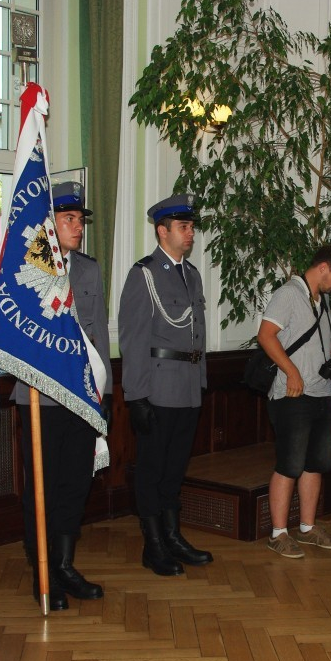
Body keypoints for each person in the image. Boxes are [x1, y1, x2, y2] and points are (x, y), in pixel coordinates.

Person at [12, 181, 112, 610]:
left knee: (74, 486)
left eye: (80, 220)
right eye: (68, 219)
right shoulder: (26, 266)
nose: (77, 227)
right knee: (43, 488)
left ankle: (66, 564)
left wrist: (101, 392)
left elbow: (99, 337)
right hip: (40, 398)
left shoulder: (88, 270)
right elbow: (14, 332)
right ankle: (43, 570)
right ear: (48, 225)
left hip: (80, 396)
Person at [118, 193, 212, 576]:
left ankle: (173, 535)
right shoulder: (144, 274)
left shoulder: (191, 274)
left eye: (191, 227)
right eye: (183, 227)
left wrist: (202, 381)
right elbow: (133, 339)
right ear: (163, 230)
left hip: (187, 387)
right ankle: (153, 542)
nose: (190, 234)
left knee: (175, 468)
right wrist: (136, 395)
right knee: (152, 469)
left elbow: (198, 335)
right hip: (157, 388)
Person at [258, 244, 331, 558]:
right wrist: (292, 372)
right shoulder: (289, 294)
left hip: (322, 393)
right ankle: (278, 533)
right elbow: (266, 335)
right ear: (323, 267)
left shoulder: (321, 299)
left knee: (315, 465)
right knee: (289, 465)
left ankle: (308, 528)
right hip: (292, 394)